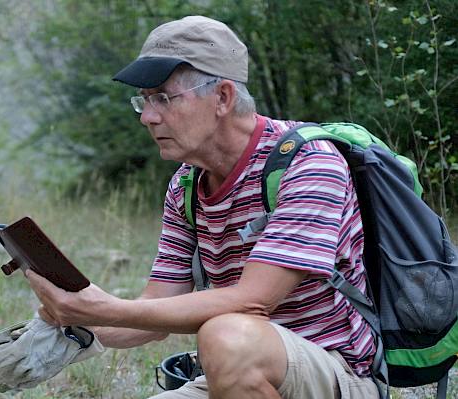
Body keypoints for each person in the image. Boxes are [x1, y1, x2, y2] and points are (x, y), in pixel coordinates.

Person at [23, 15, 380, 399]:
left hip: (336, 373)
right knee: (227, 338)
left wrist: (104, 309)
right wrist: (72, 322)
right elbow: (156, 312)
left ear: (223, 97)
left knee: (225, 332)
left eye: (162, 97)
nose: (147, 117)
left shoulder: (308, 163)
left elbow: (252, 301)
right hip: (238, 371)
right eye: (143, 101)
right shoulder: (186, 185)